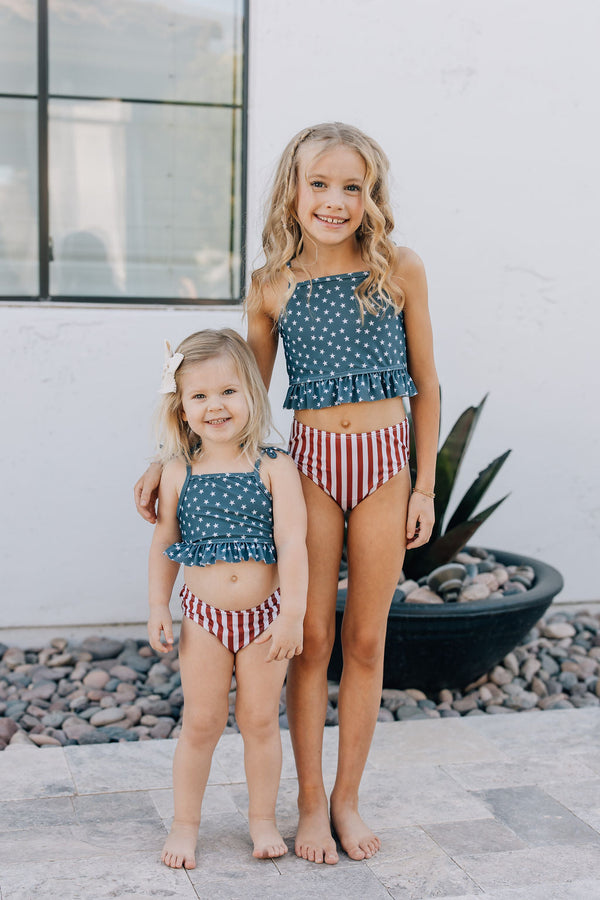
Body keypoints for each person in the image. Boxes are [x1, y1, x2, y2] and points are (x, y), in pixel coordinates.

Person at [136, 121, 439, 865]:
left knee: (367, 640)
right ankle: (306, 806)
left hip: (385, 463)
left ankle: (346, 799)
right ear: (292, 191)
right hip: (309, 468)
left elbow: (428, 386)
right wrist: (165, 455)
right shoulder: (272, 285)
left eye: (351, 186)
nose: (334, 200)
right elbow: (240, 400)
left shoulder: (399, 267)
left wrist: (425, 485)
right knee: (310, 640)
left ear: (370, 196)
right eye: (319, 184)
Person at [147, 328, 307, 869]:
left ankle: (261, 819)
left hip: (265, 620)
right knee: (202, 722)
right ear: (183, 407)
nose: (215, 405)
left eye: (228, 392)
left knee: (260, 722)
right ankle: (185, 824)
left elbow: (292, 543)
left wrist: (292, 615)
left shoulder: (273, 466)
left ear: (252, 395)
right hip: (204, 619)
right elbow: (164, 543)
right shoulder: (178, 471)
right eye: (200, 395)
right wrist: (156, 608)